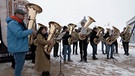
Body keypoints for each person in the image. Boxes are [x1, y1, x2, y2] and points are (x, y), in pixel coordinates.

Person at [6, 9, 36, 76]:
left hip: (20, 47)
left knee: (20, 65)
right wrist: (31, 31)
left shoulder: (18, 22)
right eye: (22, 15)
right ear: (17, 14)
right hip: (17, 47)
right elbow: (19, 34)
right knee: (19, 66)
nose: (24, 16)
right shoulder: (12, 23)